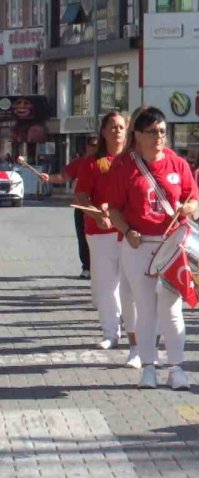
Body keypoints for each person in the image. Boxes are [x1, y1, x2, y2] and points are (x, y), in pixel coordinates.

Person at [106, 106, 199, 390]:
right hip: (138, 246)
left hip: (171, 246)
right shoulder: (124, 167)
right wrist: (127, 230)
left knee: (172, 309)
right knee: (146, 309)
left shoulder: (178, 163)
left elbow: (193, 198)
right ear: (137, 134)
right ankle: (148, 368)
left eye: (162, 131)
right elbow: (113, 210)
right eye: (152, 132)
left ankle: (176, 368)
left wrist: (189, 207)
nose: (159, 137)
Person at [60, 113, 137, 362]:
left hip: (129, 233)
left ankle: (134, 333)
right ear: (103, 132)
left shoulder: (134, 161)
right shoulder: (93, 163)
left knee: (131, 286)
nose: (117, 131)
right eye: (112, 127)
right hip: (100, 233)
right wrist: (96, 216)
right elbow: (81, 197)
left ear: (128, 131)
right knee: (106, 285)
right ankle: (110, 332)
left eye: (121, 127)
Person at [45, 138, 97, 279]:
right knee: (83, 237)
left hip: (99, 208)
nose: (95, 148)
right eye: (93, 145)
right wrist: (48, 178)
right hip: (81, 206)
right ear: (87, 146)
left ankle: (100, 267)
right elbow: (63, 177)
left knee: (100, 239)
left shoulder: (106, 161)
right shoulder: (79, 163)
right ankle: (86, 267)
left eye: (98, 145)